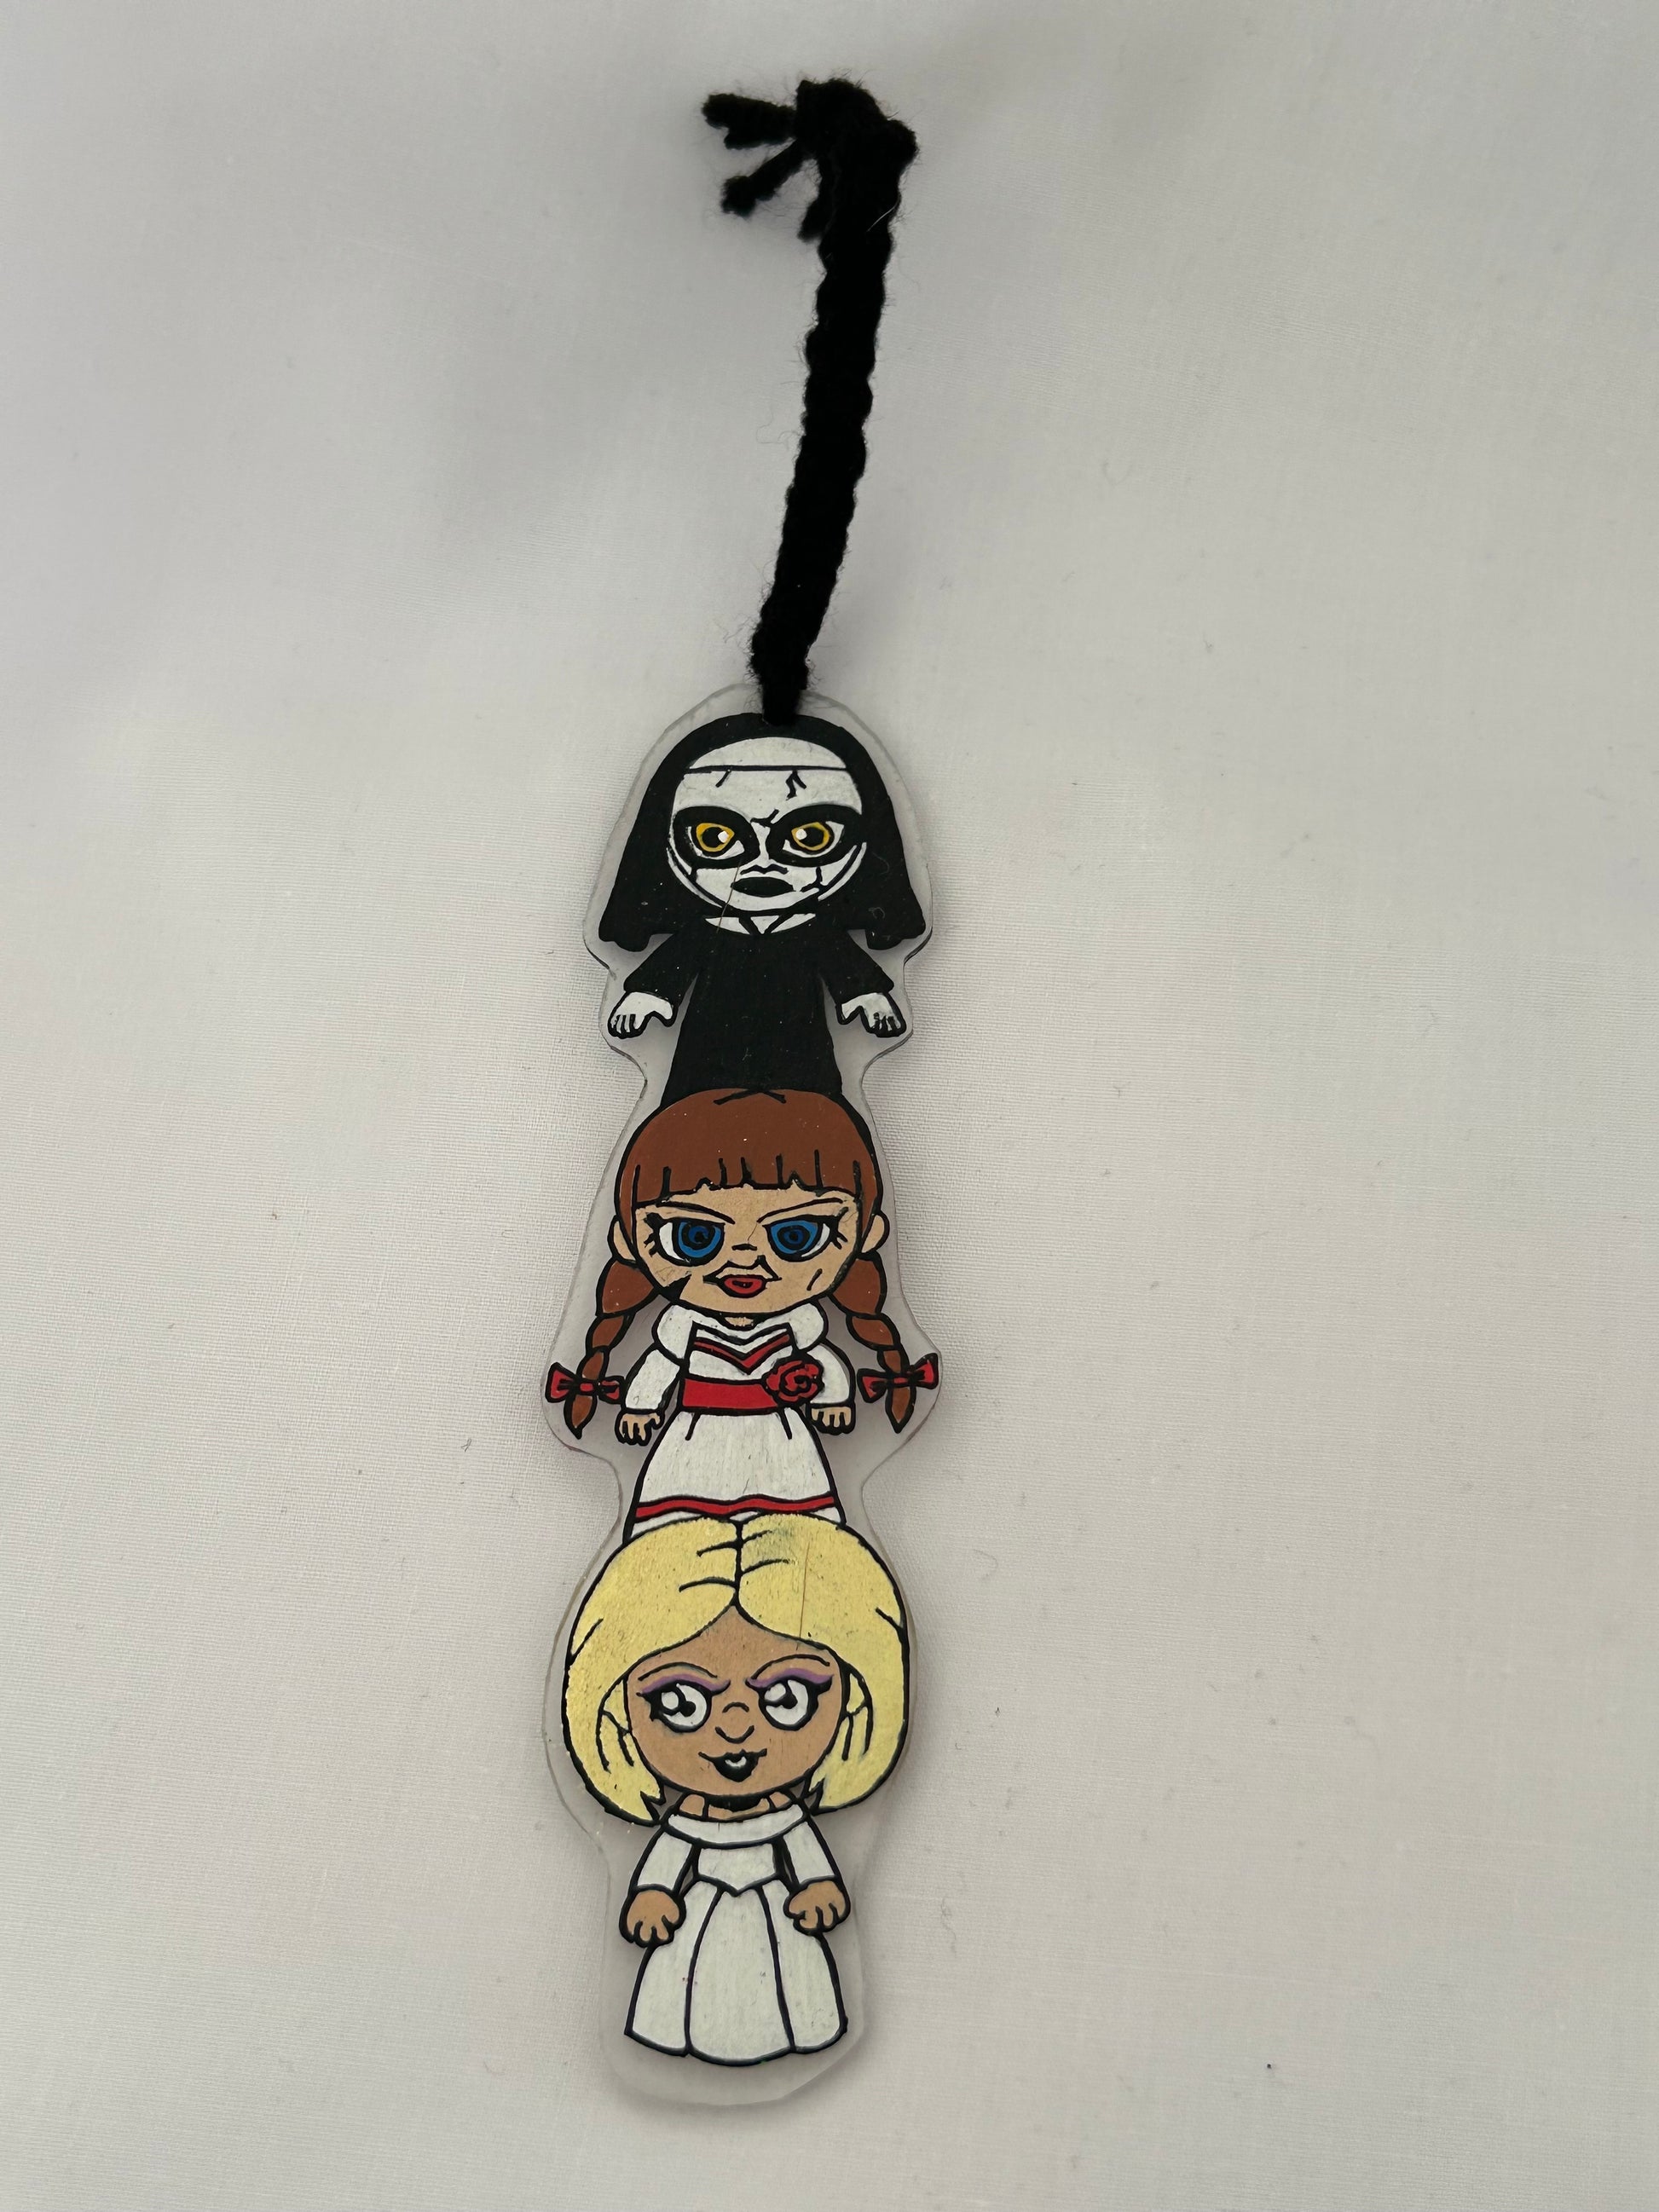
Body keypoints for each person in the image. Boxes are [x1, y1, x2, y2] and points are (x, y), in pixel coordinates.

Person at [562, 1513, 908, 2066]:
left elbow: (811, 1865)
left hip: (779, 1919)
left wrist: (820, 1889)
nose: (736, 1726)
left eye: (788, 1697)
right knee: (691, 1994)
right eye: (681, 1702)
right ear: (616, 1710)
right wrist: (653, 1895)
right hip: (698, 1922)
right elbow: (664, 1866)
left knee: (789, 1995)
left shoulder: (788, 1820)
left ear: (857, 1698)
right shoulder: (686, 1823)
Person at [546, 1087, 936, 1533]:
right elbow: (660, 1365)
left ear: (868, 1234)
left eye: (795, 1235)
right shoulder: (683, 1325)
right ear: (626, 1242)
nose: (745, 1258)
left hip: (782, 1441)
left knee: (796, 1531)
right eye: (695, 1236)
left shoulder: (799, 1324)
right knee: (679, 1530)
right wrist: (640, 1406)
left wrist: (834, 1398)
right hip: (694, 1441)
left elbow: (824, 1360)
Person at [597, 713, 926, 1103]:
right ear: (664, 842)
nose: (763, 864)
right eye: (714, 836)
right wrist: (648, 994)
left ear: (863, 845)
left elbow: (846, 966)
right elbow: (672, 964)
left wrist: (867, 997)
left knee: (808, 1114)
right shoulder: (704, 931)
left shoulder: (816, 931)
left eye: (811, 836)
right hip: (706, 1062)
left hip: (801, 1061)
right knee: (698, 1114)